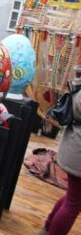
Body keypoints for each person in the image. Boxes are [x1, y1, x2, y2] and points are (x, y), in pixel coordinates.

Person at [39, 66, 81, 235]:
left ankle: (48, 226)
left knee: (73, 197)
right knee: (73, 202)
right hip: (77, 150)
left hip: (74, 145)